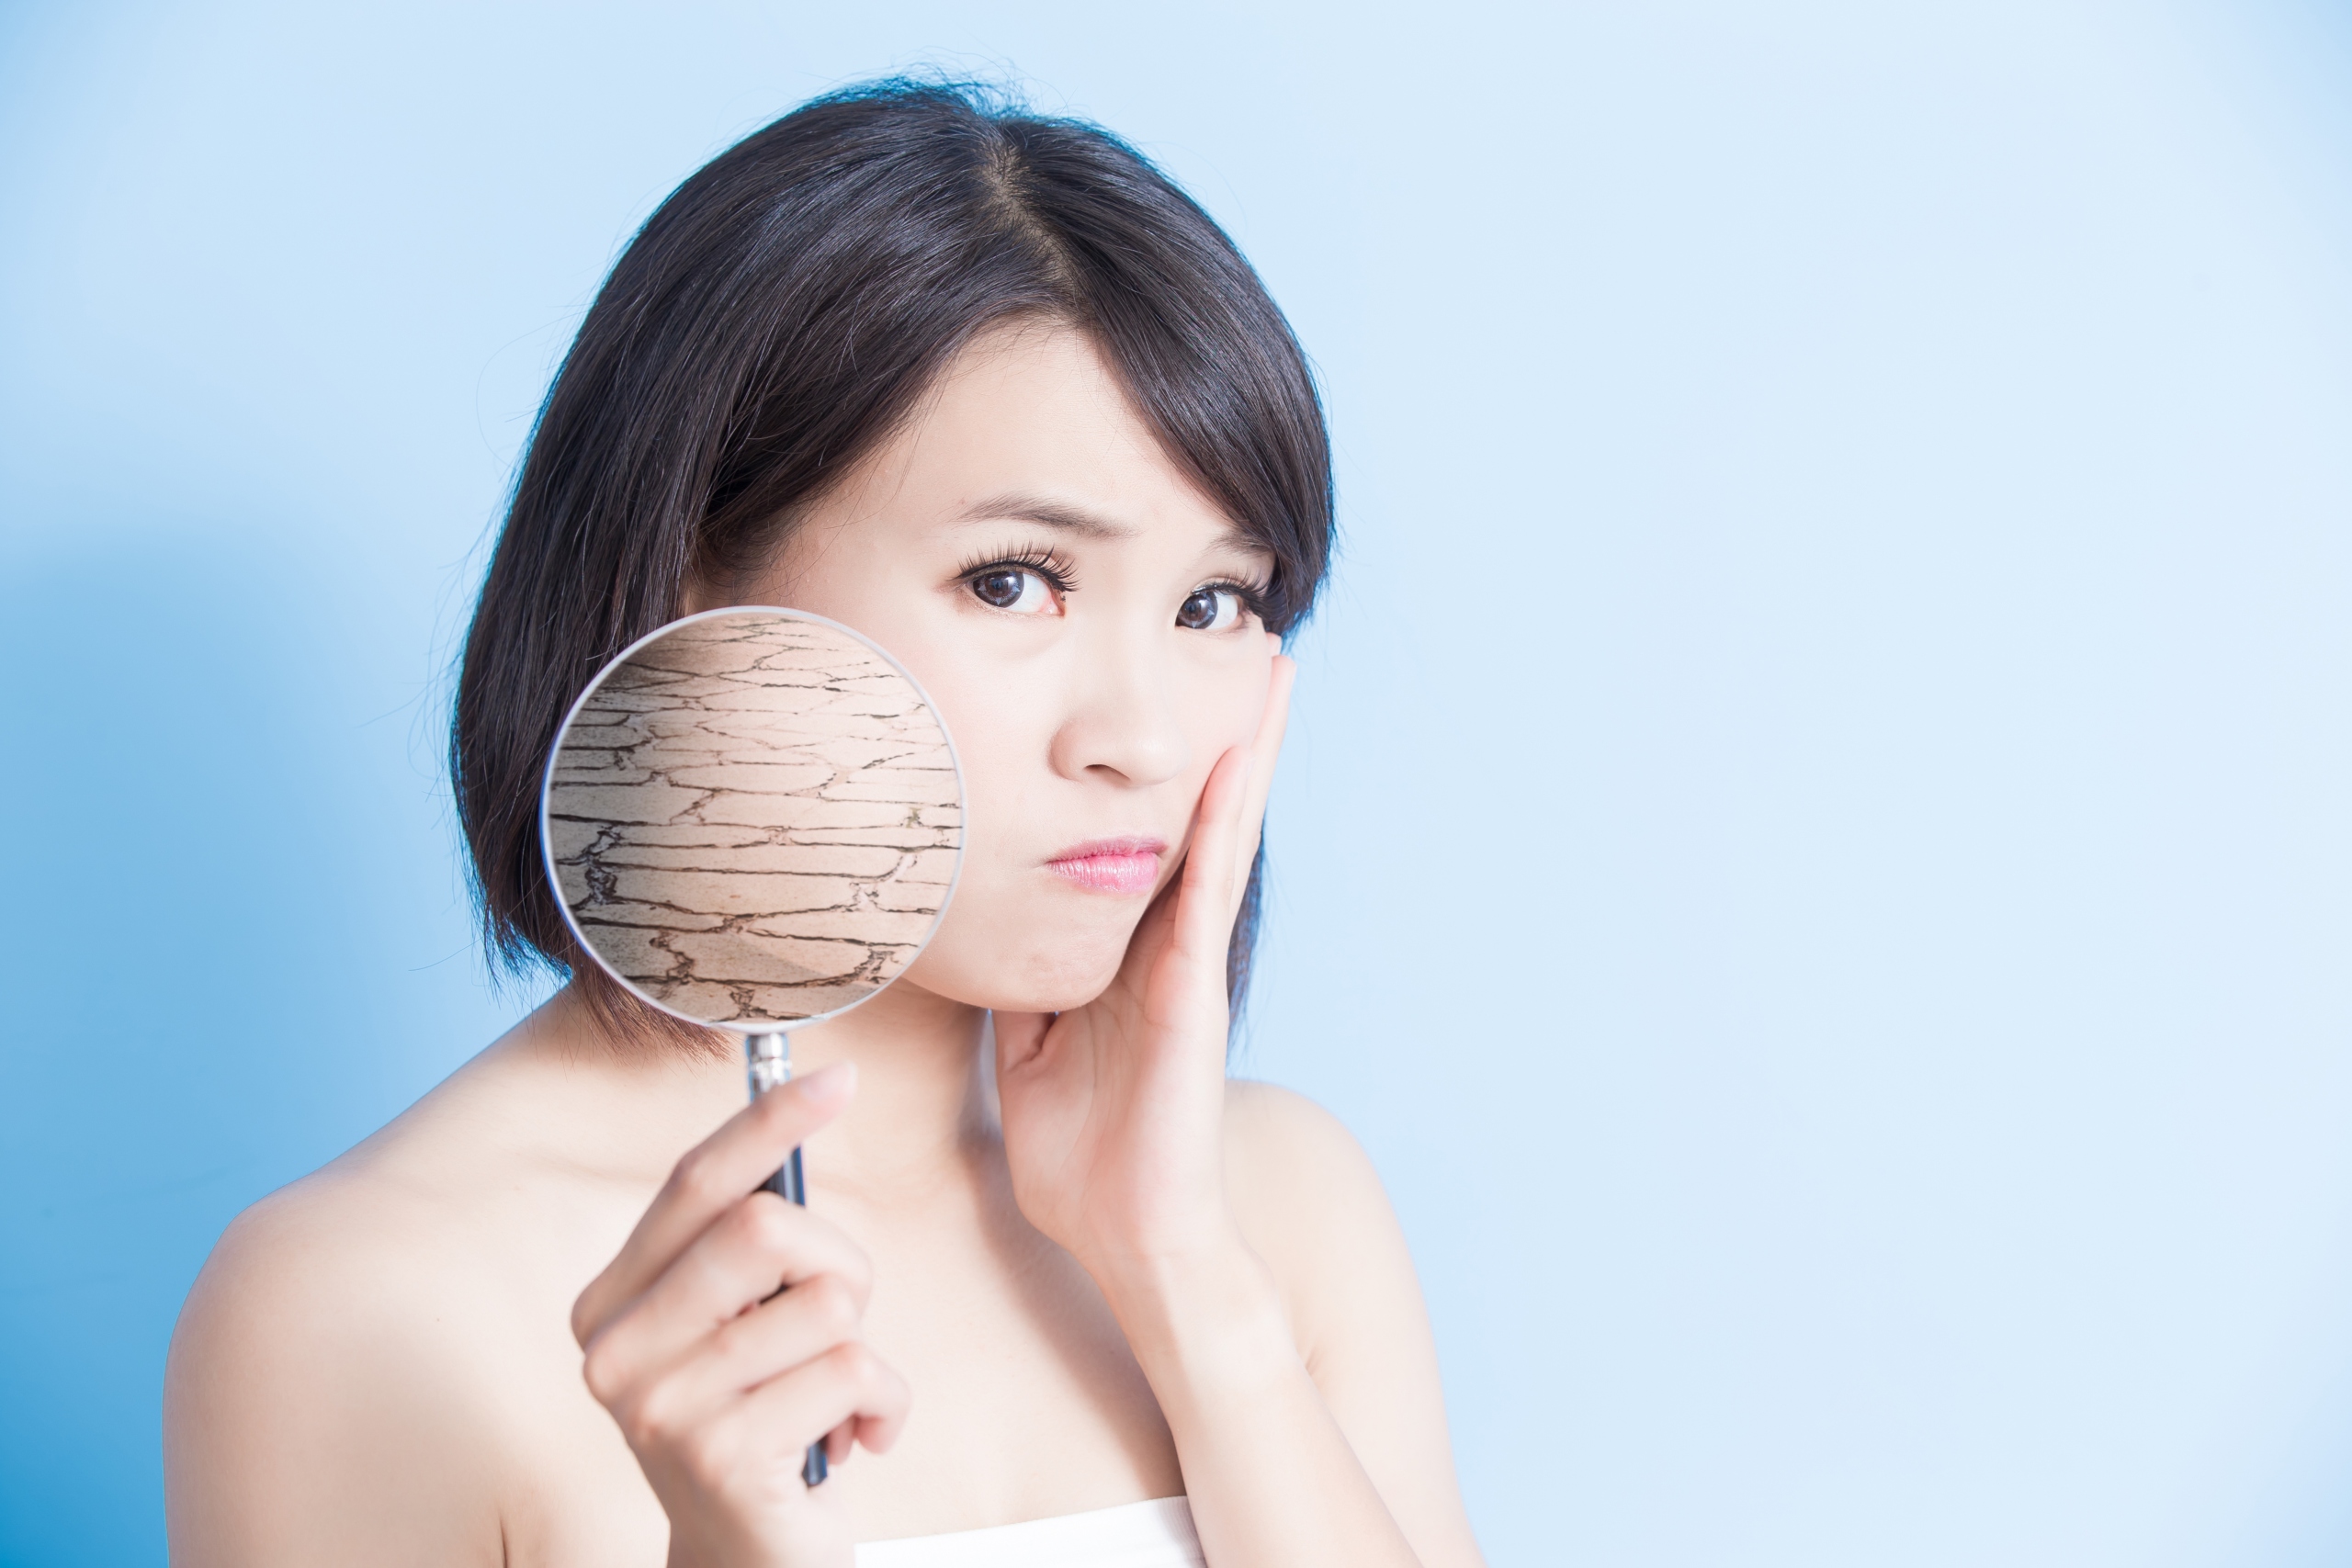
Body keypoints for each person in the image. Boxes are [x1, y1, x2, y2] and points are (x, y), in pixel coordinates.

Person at [164, 79, 1485, 1568]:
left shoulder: (1275, 1210)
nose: (1143, 739)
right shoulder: (373, 1301)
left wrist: (1187, 1288)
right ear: (692, 580)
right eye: (1013, 579)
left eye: (1214, 604)